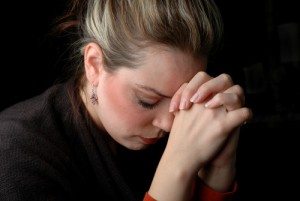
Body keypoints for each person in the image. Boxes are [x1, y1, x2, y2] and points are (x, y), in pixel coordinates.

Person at [0, 0, 252, 200]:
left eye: (183, 100)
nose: (169, 124)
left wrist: (218, 168)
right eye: (147, 100)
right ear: (94, 65)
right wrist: (178, 166)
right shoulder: (15, 155)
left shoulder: (183, 130)